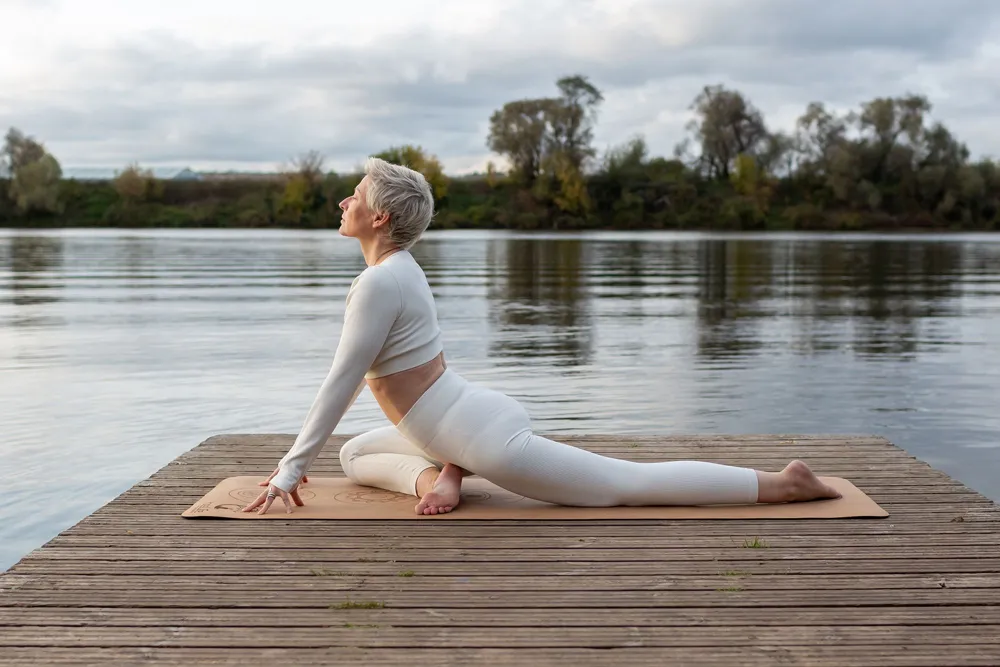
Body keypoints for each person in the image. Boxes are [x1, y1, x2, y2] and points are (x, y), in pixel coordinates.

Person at [242, 157, 841, 517]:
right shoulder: (395, 272)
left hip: (487, 437)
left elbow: (341, 383)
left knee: (625, 485)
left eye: (358, 195)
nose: (345, 200)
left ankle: (783, 483)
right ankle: (441, 473)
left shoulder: (381, 282)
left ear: (381, 218)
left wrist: (289, 471)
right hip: (453, 420)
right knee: (354, 455)